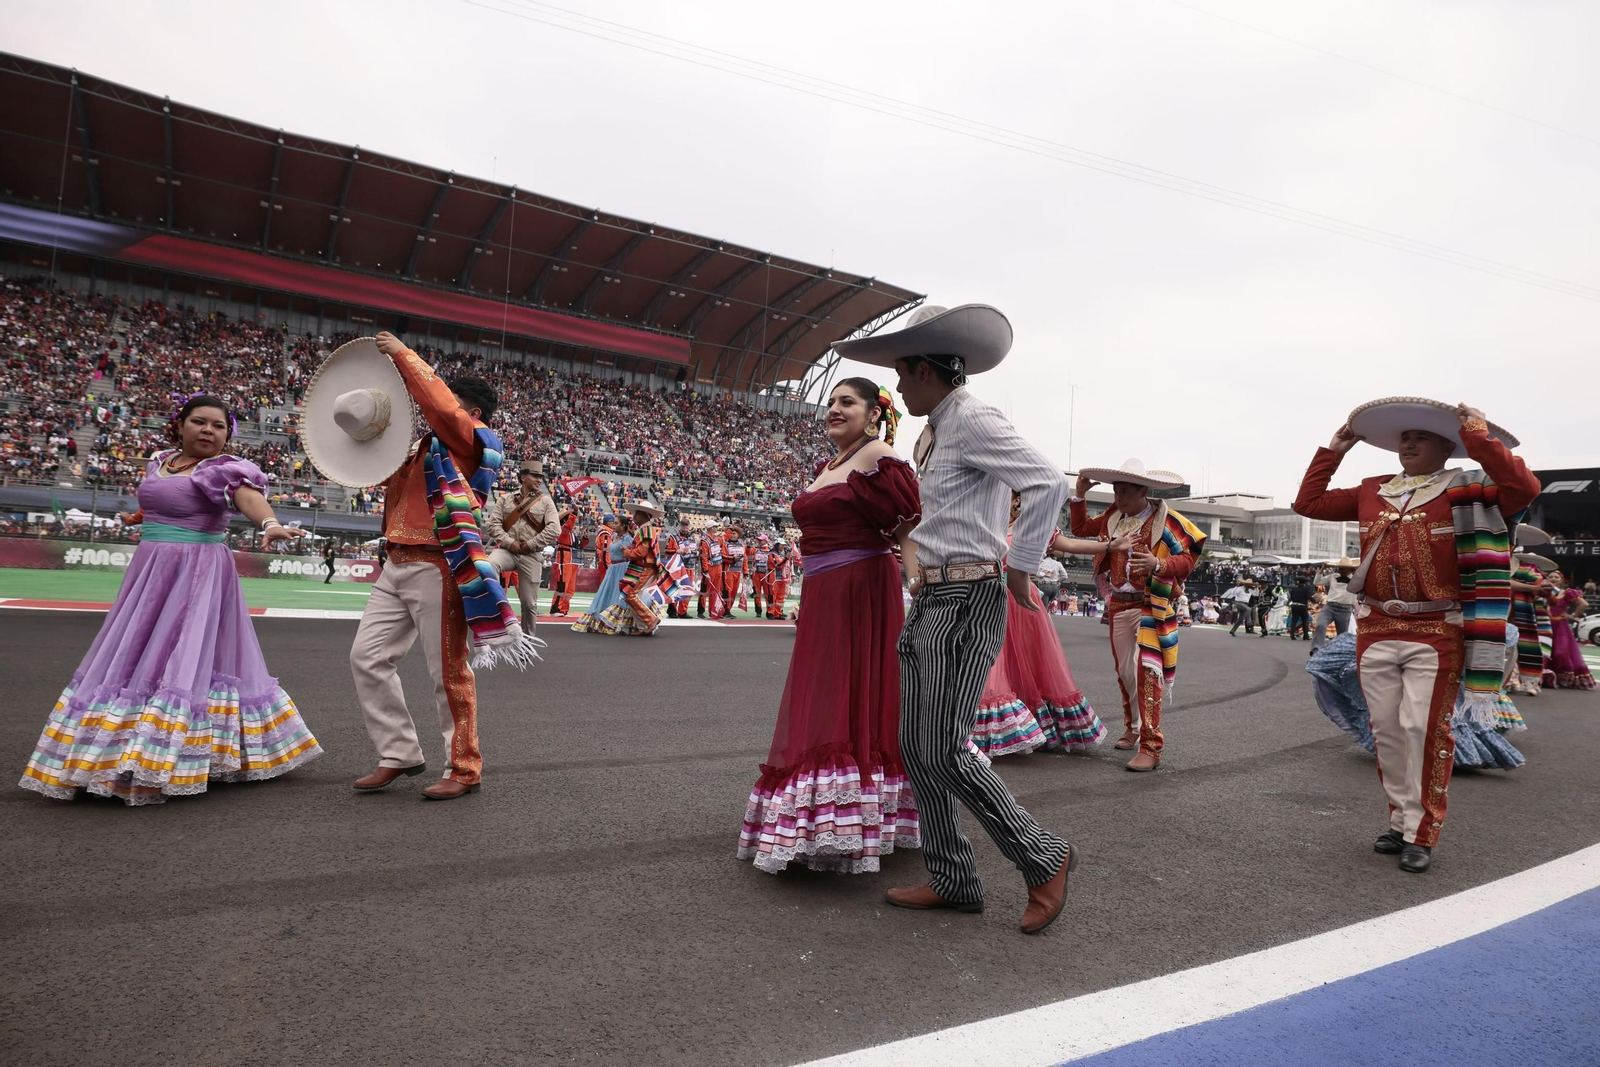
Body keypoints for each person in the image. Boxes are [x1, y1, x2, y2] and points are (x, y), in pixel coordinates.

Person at [837, 303, 1079, 934]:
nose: (895, 386)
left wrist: (1023, 566)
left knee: (942, 747)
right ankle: (953, 878)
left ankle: (1042, 855)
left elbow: (1050, 482)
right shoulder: (938, 428)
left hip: (968, 596)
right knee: (918, 747)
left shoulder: (970, 418)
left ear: (923, 370)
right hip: (938, 595)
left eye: (900, 373)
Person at [20, 394, 321, 805]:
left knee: (179, 656)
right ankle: (123, 752)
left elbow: (248, 498)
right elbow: (167, 499)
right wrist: (138, 516)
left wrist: (270, 522)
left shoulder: (224, 470)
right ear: (179, 425)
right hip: (151, 572)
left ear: (227, 435)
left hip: (196, 572)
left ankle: (158, 762)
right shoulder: (160, 460)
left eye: (218, 426)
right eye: (200, 422)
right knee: (136, 652)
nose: (209, 431)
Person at [1293, 397, 1539, 872]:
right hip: (1377, 625)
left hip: (1437, 628)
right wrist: (1334, 449)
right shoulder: (1372, 488)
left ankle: (1422, 832)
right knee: (1385, 731)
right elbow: (1308, 503)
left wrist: (1478, 435)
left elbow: (1523, 486)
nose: (1408, 442)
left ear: (1448, 445)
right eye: (1404, 436)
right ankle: (1400, 820)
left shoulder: (1470, 486)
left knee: (1423, 729)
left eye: (1420, 435)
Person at [737, 378, 921, 874]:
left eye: (847, 402)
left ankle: (843, 821)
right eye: (831, 402)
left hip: (860, 589)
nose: (835, 410)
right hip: (824, 592)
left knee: (842, 695)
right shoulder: (829, 467)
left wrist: (919, 586)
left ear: (872, 413)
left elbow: (908, 530)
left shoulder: (878, 455)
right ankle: (828, 818)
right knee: (826, 693)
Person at [349, 332, 533, 803]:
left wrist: (405, 356)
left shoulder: (468, 438)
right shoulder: (427, 448)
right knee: (367, 658)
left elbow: (442, 409)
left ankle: (465, 766)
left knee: (447, 672)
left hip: (438, 563)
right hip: (399, 560)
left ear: (467, 408)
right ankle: (399, 753)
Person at [1070, 458, 1206, 771]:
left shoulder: (1166, 520)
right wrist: (1079, 494)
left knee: (1148, 673)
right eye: (1115, 491)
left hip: (1150, 601)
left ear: (1143, 490)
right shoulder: (1112, 516)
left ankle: (1151, 745)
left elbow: (1188, 559)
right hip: (1118, 602)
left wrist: (1159, 565)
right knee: (1125, 672)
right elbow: (1079, 529)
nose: (1117, 497)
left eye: (1125, 491)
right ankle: (1132, 728)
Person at [486, 460, 561, 632]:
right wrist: (509, 542)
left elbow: (554, 529)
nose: (538, 480)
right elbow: (493, 526)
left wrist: (530, 545)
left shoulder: (546, 502)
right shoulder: (505, 499)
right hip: (507, 551)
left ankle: (527, 642)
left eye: (540, 477)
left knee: (529, 603)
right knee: (490, 564)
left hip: (532, 554)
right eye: (534, 476)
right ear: (523, 477)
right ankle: (497, 607)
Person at [572, 514, 633, 633]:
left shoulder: (627, 538)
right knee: (606, 593)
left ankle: (619, 622)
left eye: (616, 523)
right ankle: (603, 618)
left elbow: (631, 554)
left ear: (623, 526)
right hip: (612, 568)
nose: (613, 525)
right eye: (613, 523)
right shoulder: (613, 535)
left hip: (621, 569)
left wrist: (626, 551)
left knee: (618, 595)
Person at [1546, 570, 1596, 690]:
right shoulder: (1543, 592)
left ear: (1561, 580)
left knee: (1560, 652)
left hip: (1560, 626)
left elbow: (1584, 604)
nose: (1553, 579)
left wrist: (1572, 616)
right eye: (1550, 577)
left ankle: (1563, 679)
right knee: (1545, 653)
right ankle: (1545, 678)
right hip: (1545, 624)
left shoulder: (1567, 593)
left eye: (1556, 577)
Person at [1311, 557, 1359, 652]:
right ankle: (1316, 648)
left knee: (1342, 634)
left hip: (1345, 609)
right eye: (1340, 568)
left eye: (1343, 568)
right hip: (1330, 607)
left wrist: (1356, 574)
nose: (1340, 570)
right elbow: (1316, 582)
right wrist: (1322, 569)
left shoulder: (1356, 579)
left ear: (1351, 569)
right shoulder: (1333, 577)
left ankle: (1340, 652)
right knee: (1320, 624)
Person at [548, 510, 579, 615]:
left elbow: (578, 546)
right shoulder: (563, 529)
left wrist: (585, 539)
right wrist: (574, 514)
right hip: (563, 559)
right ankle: (555, 608)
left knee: (569, 587)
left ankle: (564, 608)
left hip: (571, 559)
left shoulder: (571, 532)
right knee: (562, 584)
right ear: (566, 519)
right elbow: (569, 525)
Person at [698, 518, 725, 619]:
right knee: (705, 590)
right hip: (709, 568)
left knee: (716, 591)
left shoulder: (716, 538)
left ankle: (713, 611)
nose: (716, 528)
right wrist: (705, 571)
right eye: (715, 526)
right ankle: (700, 611)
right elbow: (703, 557)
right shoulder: (704, 540)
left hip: (718, 566)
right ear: (710, 528)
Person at [724, 524, 747, 616]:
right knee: (728, 591)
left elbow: (744, 559)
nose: (733, 535)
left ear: (738, 535)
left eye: (735, 534)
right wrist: (732, 559)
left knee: (734, 592)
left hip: (738, 571)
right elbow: (724, 557)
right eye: (732, 533)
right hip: (728, 571)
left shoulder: (742, 545)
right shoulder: (726, 544)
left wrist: (745, 571)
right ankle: (726, 610)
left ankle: (729, 609)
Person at [768, 537, 794, 619]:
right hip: (774, 578)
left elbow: (788, 566)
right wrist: (786, 558)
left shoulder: (783, 554)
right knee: (773, 596)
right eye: (781, 545)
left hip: (782, 578)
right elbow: (777, 565)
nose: (783, 546)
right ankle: (770, 613)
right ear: (776, 545)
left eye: (783, 545)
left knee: (781, 596)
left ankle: (778, 613)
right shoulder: (772, 554)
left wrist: (791, 575)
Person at [749, 534, 772, 617]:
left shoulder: (770, 550)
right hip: (756, 574)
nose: (759, 541)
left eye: (761, 540)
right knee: (757, 593)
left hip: (767, 574)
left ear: (766, 541)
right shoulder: (755, 549)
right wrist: (749, 543)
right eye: (758, 540)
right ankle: (758, 611)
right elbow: (748, 552)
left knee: (768, 593)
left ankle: (769, 611)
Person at [1287, 575, 1314, 640]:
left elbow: (1291, 597)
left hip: (1294, 605)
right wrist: (1314, 601)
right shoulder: (1307, 589)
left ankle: (1292, 634)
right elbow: (1309, 597)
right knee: (1305, 620)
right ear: (1305, 583)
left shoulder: (1294, 589)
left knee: (1294, 620)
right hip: (1302, 606)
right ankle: (1305, 635)